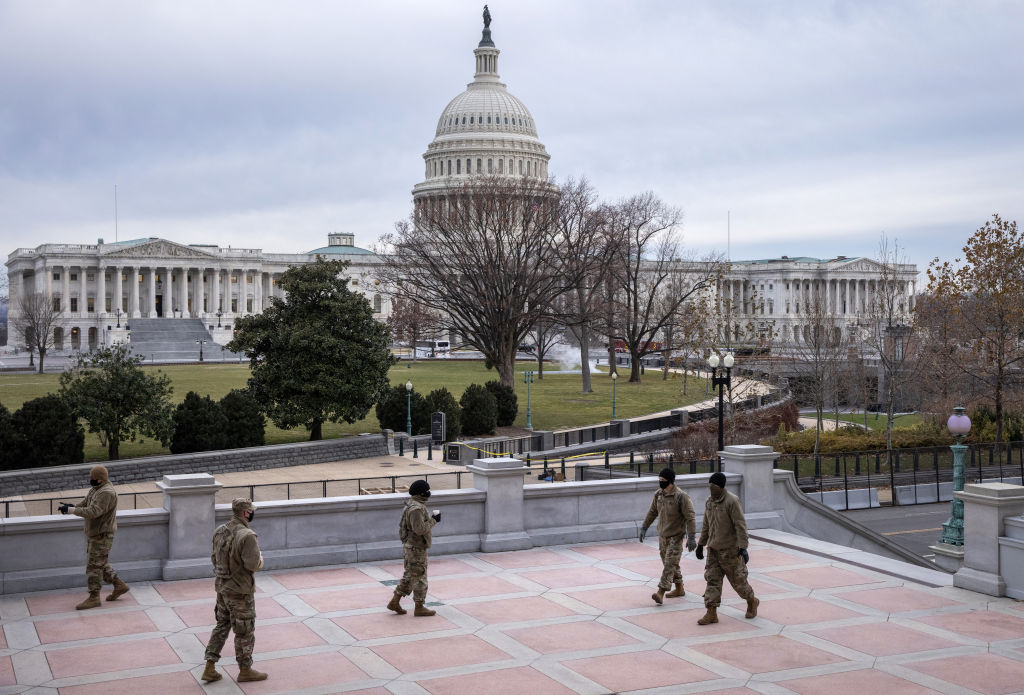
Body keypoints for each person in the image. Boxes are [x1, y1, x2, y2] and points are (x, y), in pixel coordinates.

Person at [201, 498, 267, 683]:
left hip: (222, 588)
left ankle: (209, 667)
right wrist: (261, 560)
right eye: (251, 511)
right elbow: (253, 564)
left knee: (222, 626)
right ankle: (245, 670)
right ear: (246, 513)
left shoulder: (219, 531)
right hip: (240, 592)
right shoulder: (247, 535)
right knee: (244, 631)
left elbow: (214, 559)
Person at [59, 465, 129, 610]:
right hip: (96, 533)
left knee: (93, 567)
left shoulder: (107, 493)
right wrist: (71, 506)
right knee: (100, 563)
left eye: (93, 478)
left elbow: (93, 511)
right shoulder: (97, 489)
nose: (90, 480)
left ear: (101, 479)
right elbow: (86, 503)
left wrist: (72, 510)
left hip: (102, 535)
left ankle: (94, 597)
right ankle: (119, 585)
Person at [695, 471, 758, 625]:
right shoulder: (709, 502)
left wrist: (743, 547)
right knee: (712, 581)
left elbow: (740, 525)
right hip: (713, 550)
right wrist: (701, 544)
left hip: (730, 551)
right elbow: (706, 525)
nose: (711, 488)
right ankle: (711, 613)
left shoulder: (732, 501)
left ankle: (751, 601)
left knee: (739, 583)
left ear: (721, 486)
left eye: (714, 485)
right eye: (709, 485)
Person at [639, 467, 696, 604]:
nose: (660, 482)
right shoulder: (658, 495)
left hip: (676, 536)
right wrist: (644, 527)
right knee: (670, 563)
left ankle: (660, 592)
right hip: (663, 536)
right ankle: (679, 588)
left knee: (669, 565)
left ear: (670, 481)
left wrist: (692, 536)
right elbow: (652, 512)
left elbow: (690, 517)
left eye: (663, 480)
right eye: (659, 480)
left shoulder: (681, 496)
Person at [387, 479, 441, 616]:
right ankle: (419, 607)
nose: (429, 493)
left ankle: (394, 602)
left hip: (412, 547)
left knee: (410, 576)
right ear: (421, 493)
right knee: (420, 577)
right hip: (416, 549)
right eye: (427, 491)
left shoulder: (413, 504)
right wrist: (434, 520)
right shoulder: (416, 509)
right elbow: (420, 530)